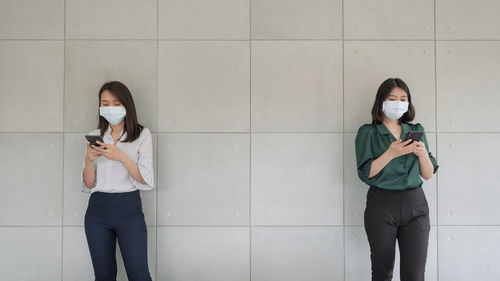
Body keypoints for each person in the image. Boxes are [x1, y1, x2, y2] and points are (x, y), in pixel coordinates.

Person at [355, 78, 439, 281]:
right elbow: (366, 173)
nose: (398, 103)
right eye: (392, 98)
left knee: (415, 275)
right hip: (381, 206)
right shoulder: (368, 132)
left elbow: (427, 174)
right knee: (382, 272)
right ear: (381, 102)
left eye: (403, 99)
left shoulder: (415, 130)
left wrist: (422, 154)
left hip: (416, 206)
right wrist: (390, 153)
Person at [81, 81, 154, 281]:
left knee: (139, 275)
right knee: (103, 276)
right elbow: (89, 184)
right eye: (105, 104)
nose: (110, 108)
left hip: (128, 209)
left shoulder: (142, 134)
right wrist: (88, 160)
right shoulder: (95, 135)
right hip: (97, 210)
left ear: (126, 105)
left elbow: (146, 181)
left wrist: (120, 156)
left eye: (115, 103)